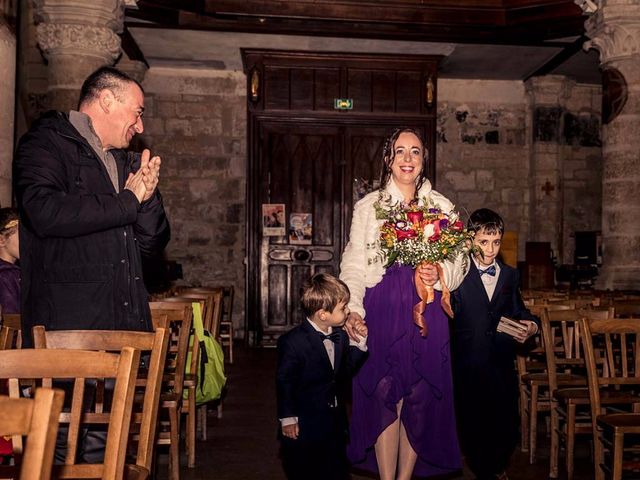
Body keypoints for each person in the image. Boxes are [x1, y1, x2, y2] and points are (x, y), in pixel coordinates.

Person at [340, 128, 468, 479]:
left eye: (415, 151)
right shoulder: (369, 208)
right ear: (389, 160)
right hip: (383, 307)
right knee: (384, 390)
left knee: (421, 394)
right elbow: (353, 263)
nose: (408, 159)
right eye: (400, 151)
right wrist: (354, 309)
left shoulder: (441, 207)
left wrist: (440, 272)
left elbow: (461, 261)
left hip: (426, 309)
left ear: (424, 159)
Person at [13, 65, 170, 348]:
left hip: (126, 325)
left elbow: (152, 245)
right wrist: (128, 201)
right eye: (138, 112)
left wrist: (147, 200)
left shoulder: (125, 162)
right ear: (107, 101)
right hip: (71, 332)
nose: (140, 126)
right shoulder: (46, 143)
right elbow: (45, 212)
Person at [450, 208, 539, 480]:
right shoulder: (457, 275)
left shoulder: (509, 276)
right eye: (484, 242)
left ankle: (497, 466)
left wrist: (530, 325)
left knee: (506, 424)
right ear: (470, 240)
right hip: (467, 362)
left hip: (501, 363)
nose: (490, 250)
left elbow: (519, 310)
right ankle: (487, 471)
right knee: (472, 424)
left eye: (496, 242)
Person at [276, 273, 368, 480]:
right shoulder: (291, 342)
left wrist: (359, 344)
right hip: (303, 425)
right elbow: (285, 382)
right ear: (323, 314)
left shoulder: (341, 336)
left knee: (336, 470)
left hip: (334, 423)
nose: (348, 311)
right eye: (343, 308)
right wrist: (288, 418)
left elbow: (345, 371)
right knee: (304, 470)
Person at [0, 208, 20, 314]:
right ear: (1, 240)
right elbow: (11, 319)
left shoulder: (14, 273)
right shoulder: (4, 277)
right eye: (20, 236)